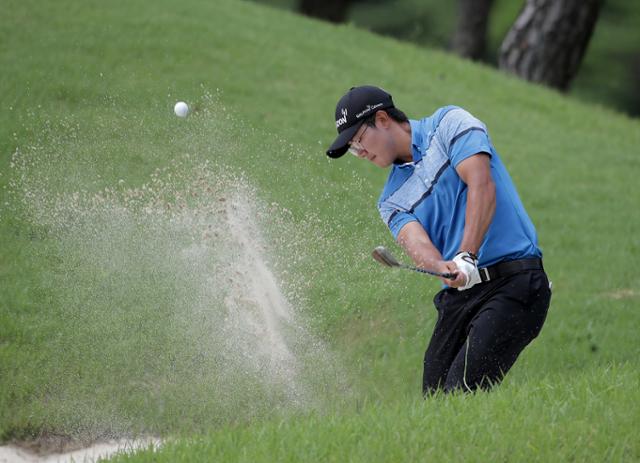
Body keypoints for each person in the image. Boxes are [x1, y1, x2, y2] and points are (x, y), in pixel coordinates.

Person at [326, 85, 551, 394]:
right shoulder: (390, 200)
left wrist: (466, 255)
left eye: (359, 140)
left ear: (381, 119)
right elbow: (418, 245)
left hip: (515, 281)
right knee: (435, 402)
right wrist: (441, 266)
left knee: (460, 391)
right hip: (461, 296)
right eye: (352, 148)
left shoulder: (450, 124)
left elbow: (481, 186)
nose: (359, 152)